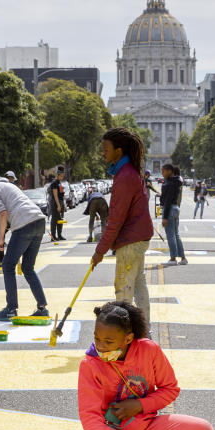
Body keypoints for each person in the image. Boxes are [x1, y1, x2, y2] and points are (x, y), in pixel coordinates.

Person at [78, 301, 213, 430]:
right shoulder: (89, 364)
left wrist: (140, 405)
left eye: (108, 341)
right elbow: (89, 413)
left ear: (128, 338)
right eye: (97, 339)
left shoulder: (149, 350)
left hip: (146, 429)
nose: (100, 346)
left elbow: (170, 389)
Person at [92, 127, 154, 328]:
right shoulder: (129, 172)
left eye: (106, 149)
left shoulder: (125, 176)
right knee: (138, 286)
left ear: (118, 151)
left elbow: (116, 219)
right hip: (138, 239)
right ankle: (144, 333)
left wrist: (99, 251)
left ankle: (125, 337)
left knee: (123, 290)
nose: (103, 153)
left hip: (130, 241)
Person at [0, 169, 49, 320]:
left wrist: (0, 238)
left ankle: (11, 308)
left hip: (23, 224)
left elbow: (2, 212)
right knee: (27, 268)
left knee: (7, 266)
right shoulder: (6, 184)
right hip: (38, 220)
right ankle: (42, 307)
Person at [160, 163, 187, 266]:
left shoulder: (170, 183)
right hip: (175, 208)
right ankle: (183, 258)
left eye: (164, 171)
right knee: (176, 234)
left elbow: (167, 200)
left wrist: (165, 217)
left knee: (170, 235)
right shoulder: (175, 181)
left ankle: (173, 258)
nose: (162, 173)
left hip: (170, 209)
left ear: (170, 171)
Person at [48, 166, 67, 241]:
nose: (62, 177)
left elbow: (61, 195)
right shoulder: (54, 183)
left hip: (61, 202)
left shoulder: (59, 182)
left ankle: (59, 235)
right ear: (58, 175)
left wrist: (63, 205)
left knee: (60, 220)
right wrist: (58, 205)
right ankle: (53, 236)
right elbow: (55, 195)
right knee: (54, 220)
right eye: (61, 176)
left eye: (63, 176)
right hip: (56, 203)